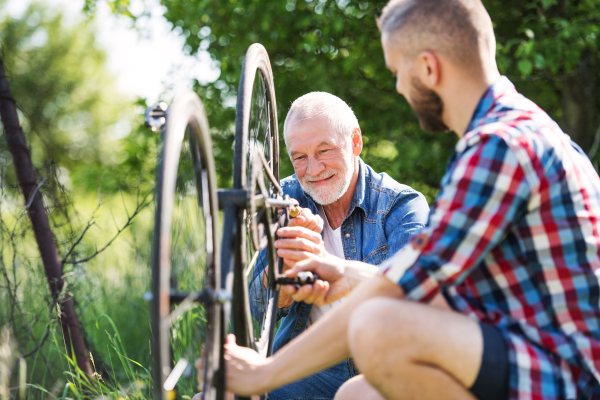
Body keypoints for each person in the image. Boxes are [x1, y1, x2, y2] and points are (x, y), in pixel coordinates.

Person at [224, 1, 600, 399]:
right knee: (357, 394)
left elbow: (407, 294)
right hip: (530, 352)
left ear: (427, 68)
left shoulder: (498, 146)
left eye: (396, 72)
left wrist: (262, 374)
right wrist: (345, 275)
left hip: (566, 377)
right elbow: (433, 280)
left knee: (379, 326)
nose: (400, 87)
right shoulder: (517, 128)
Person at [248, 91, 430, 400]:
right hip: (304, 368)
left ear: (356, 141)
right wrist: (285, 268)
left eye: (325, 150)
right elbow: (255, 308)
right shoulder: (285, 199)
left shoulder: (402, 206)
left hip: (379, 366)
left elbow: (411, 306)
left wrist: (323, 262)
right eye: (300, 157)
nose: (314, 169)